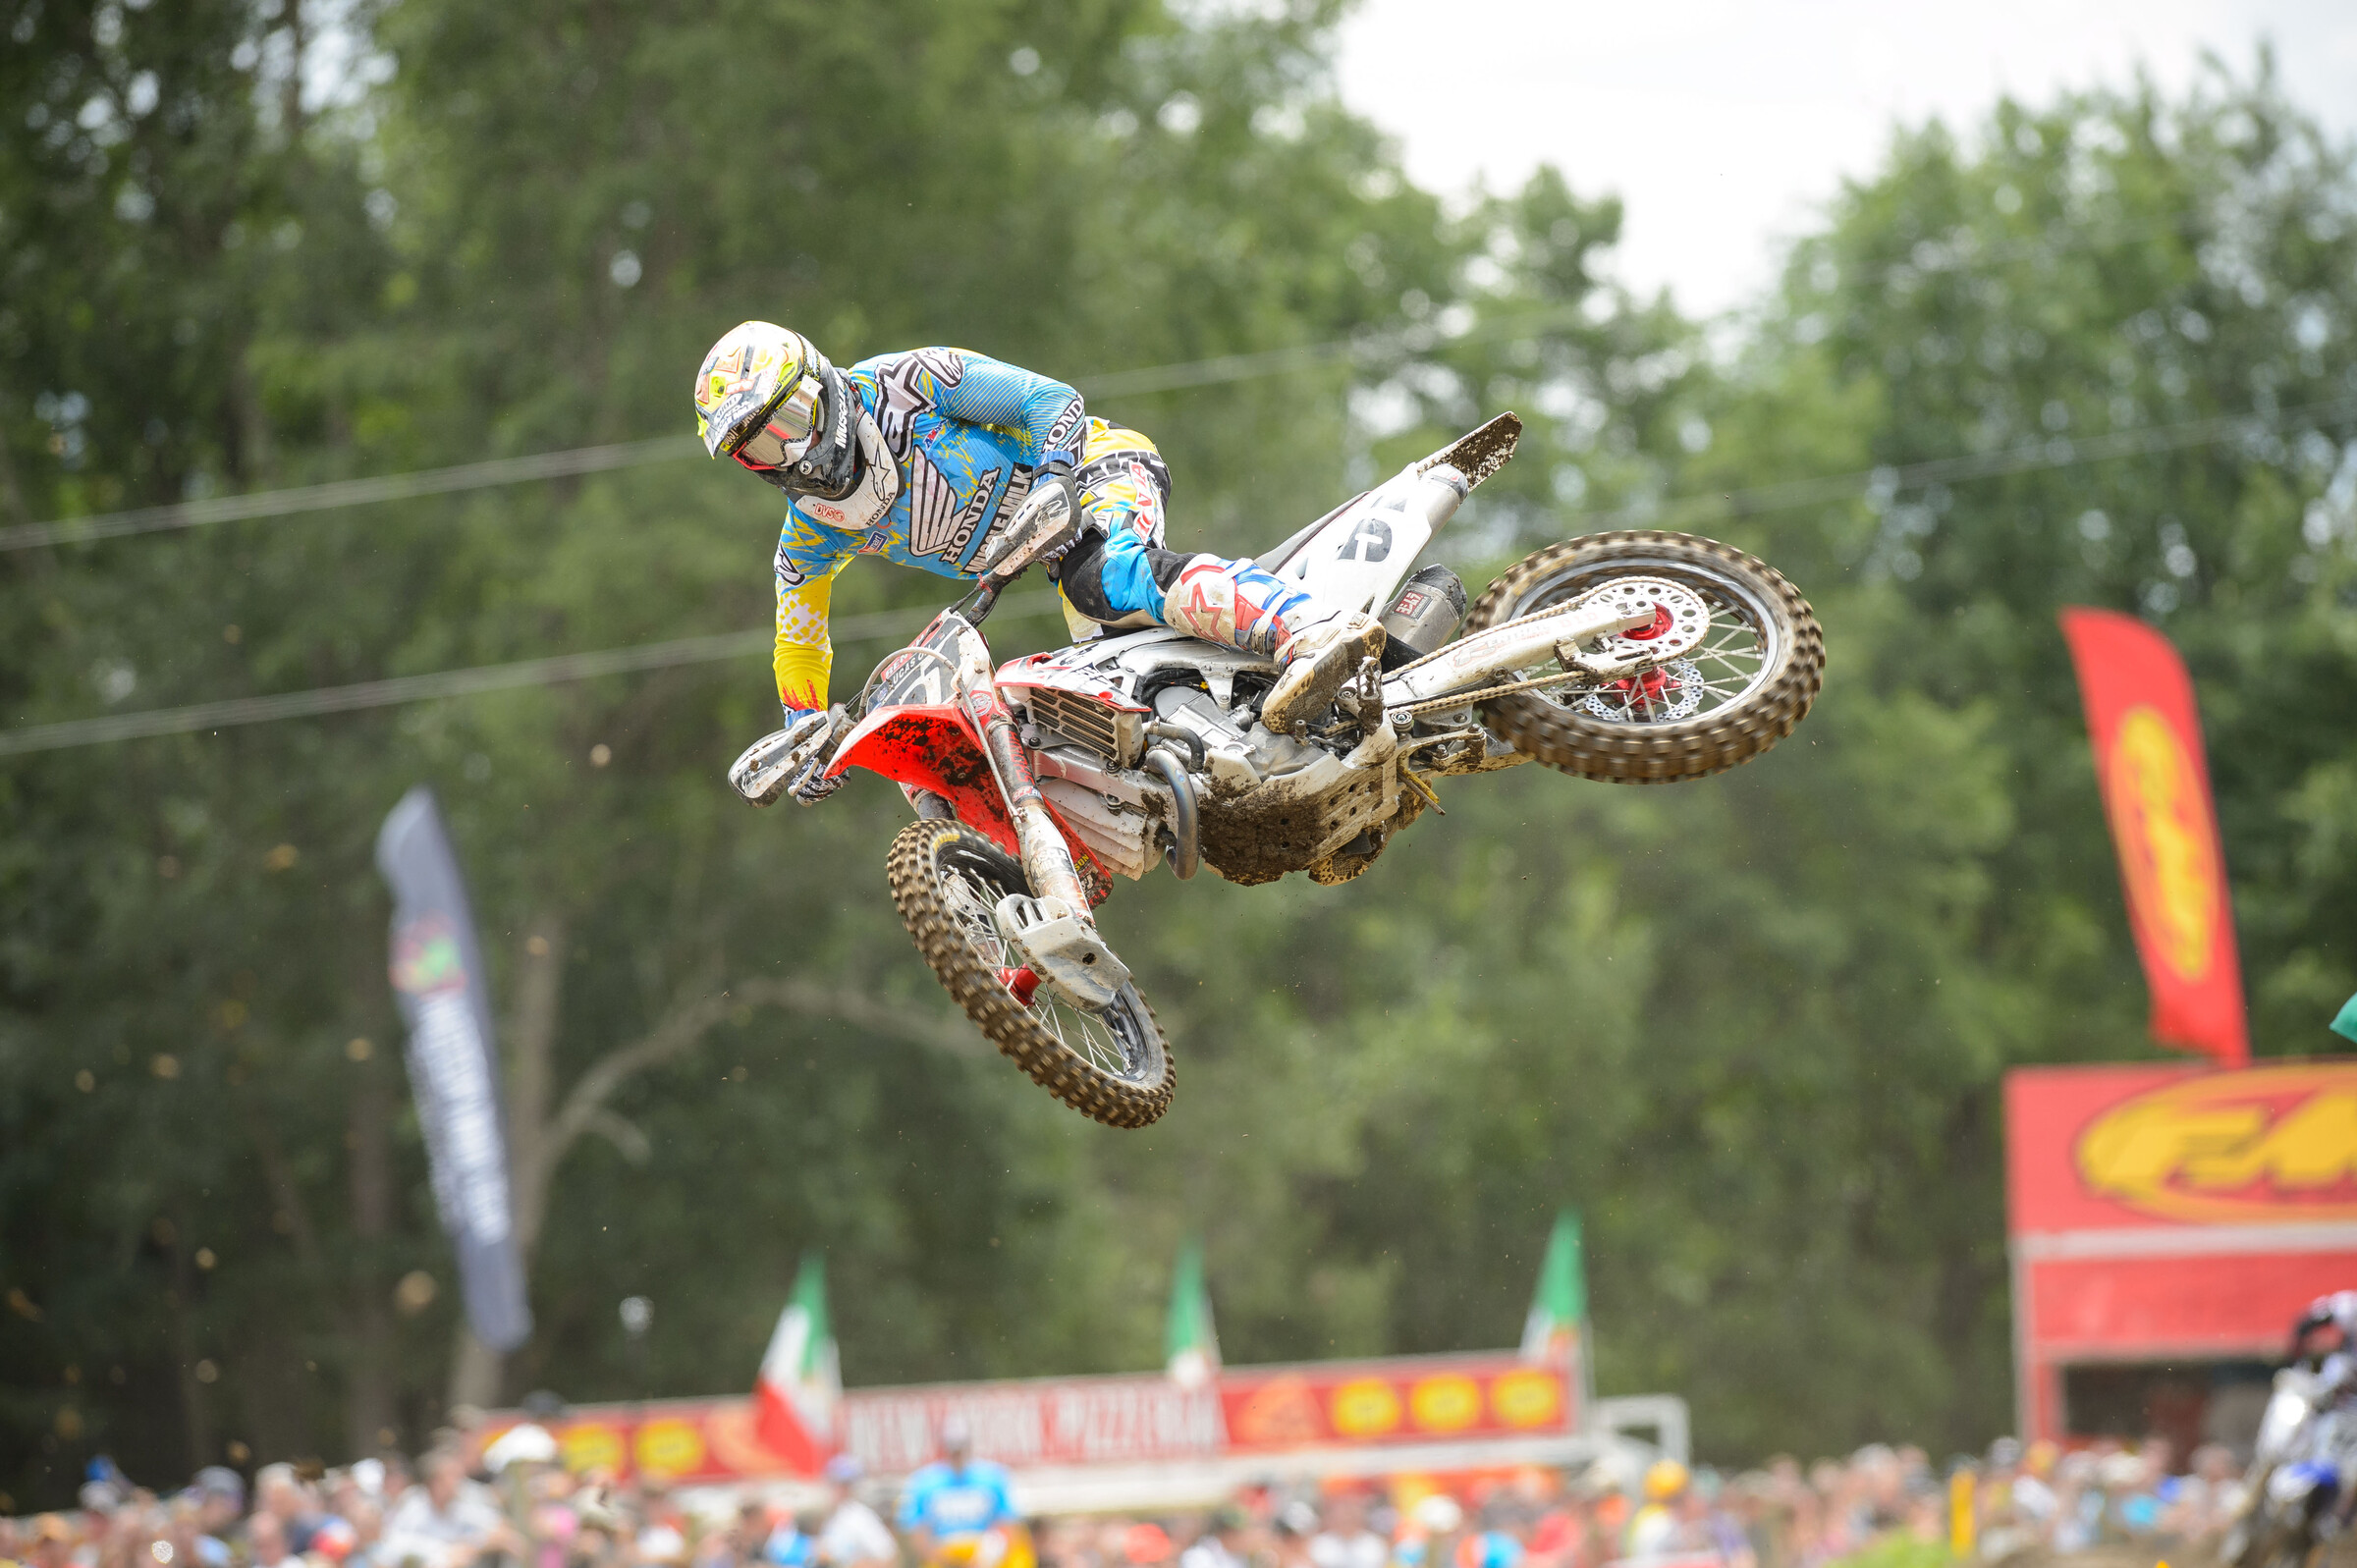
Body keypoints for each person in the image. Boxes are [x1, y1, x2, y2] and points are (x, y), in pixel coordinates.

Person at [693, 325, 1387, 804]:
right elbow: (798, 641)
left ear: (822, 381)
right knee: (1100, 704)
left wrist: (1056, 475)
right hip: (1044, 550)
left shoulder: (907, 384)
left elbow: (1049, 401)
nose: (793, 453)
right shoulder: (809, 534)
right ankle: (1253, 760)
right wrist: (804, 731)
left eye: (792, 420)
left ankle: (1309, 628)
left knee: (1103, 580)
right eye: (762, 448)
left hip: (1090, 468)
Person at [897, 1418, 1021, 1568]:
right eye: (953, 1449)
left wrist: (985, 1557)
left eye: (960, 1448)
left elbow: (1008, 1525)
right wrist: (950, 1561)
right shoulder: (924, 1482)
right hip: (941, 1556)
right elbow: (918, 1533)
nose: (957, 1454)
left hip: (984, 1556)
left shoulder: (993, 1477)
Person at [815, 1457, 898, 1568]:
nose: (839, 1490)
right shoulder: (829, 1517)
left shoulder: (861, 1517)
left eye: (845, 1485)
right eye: (836, 1484)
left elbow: (889, 1558)